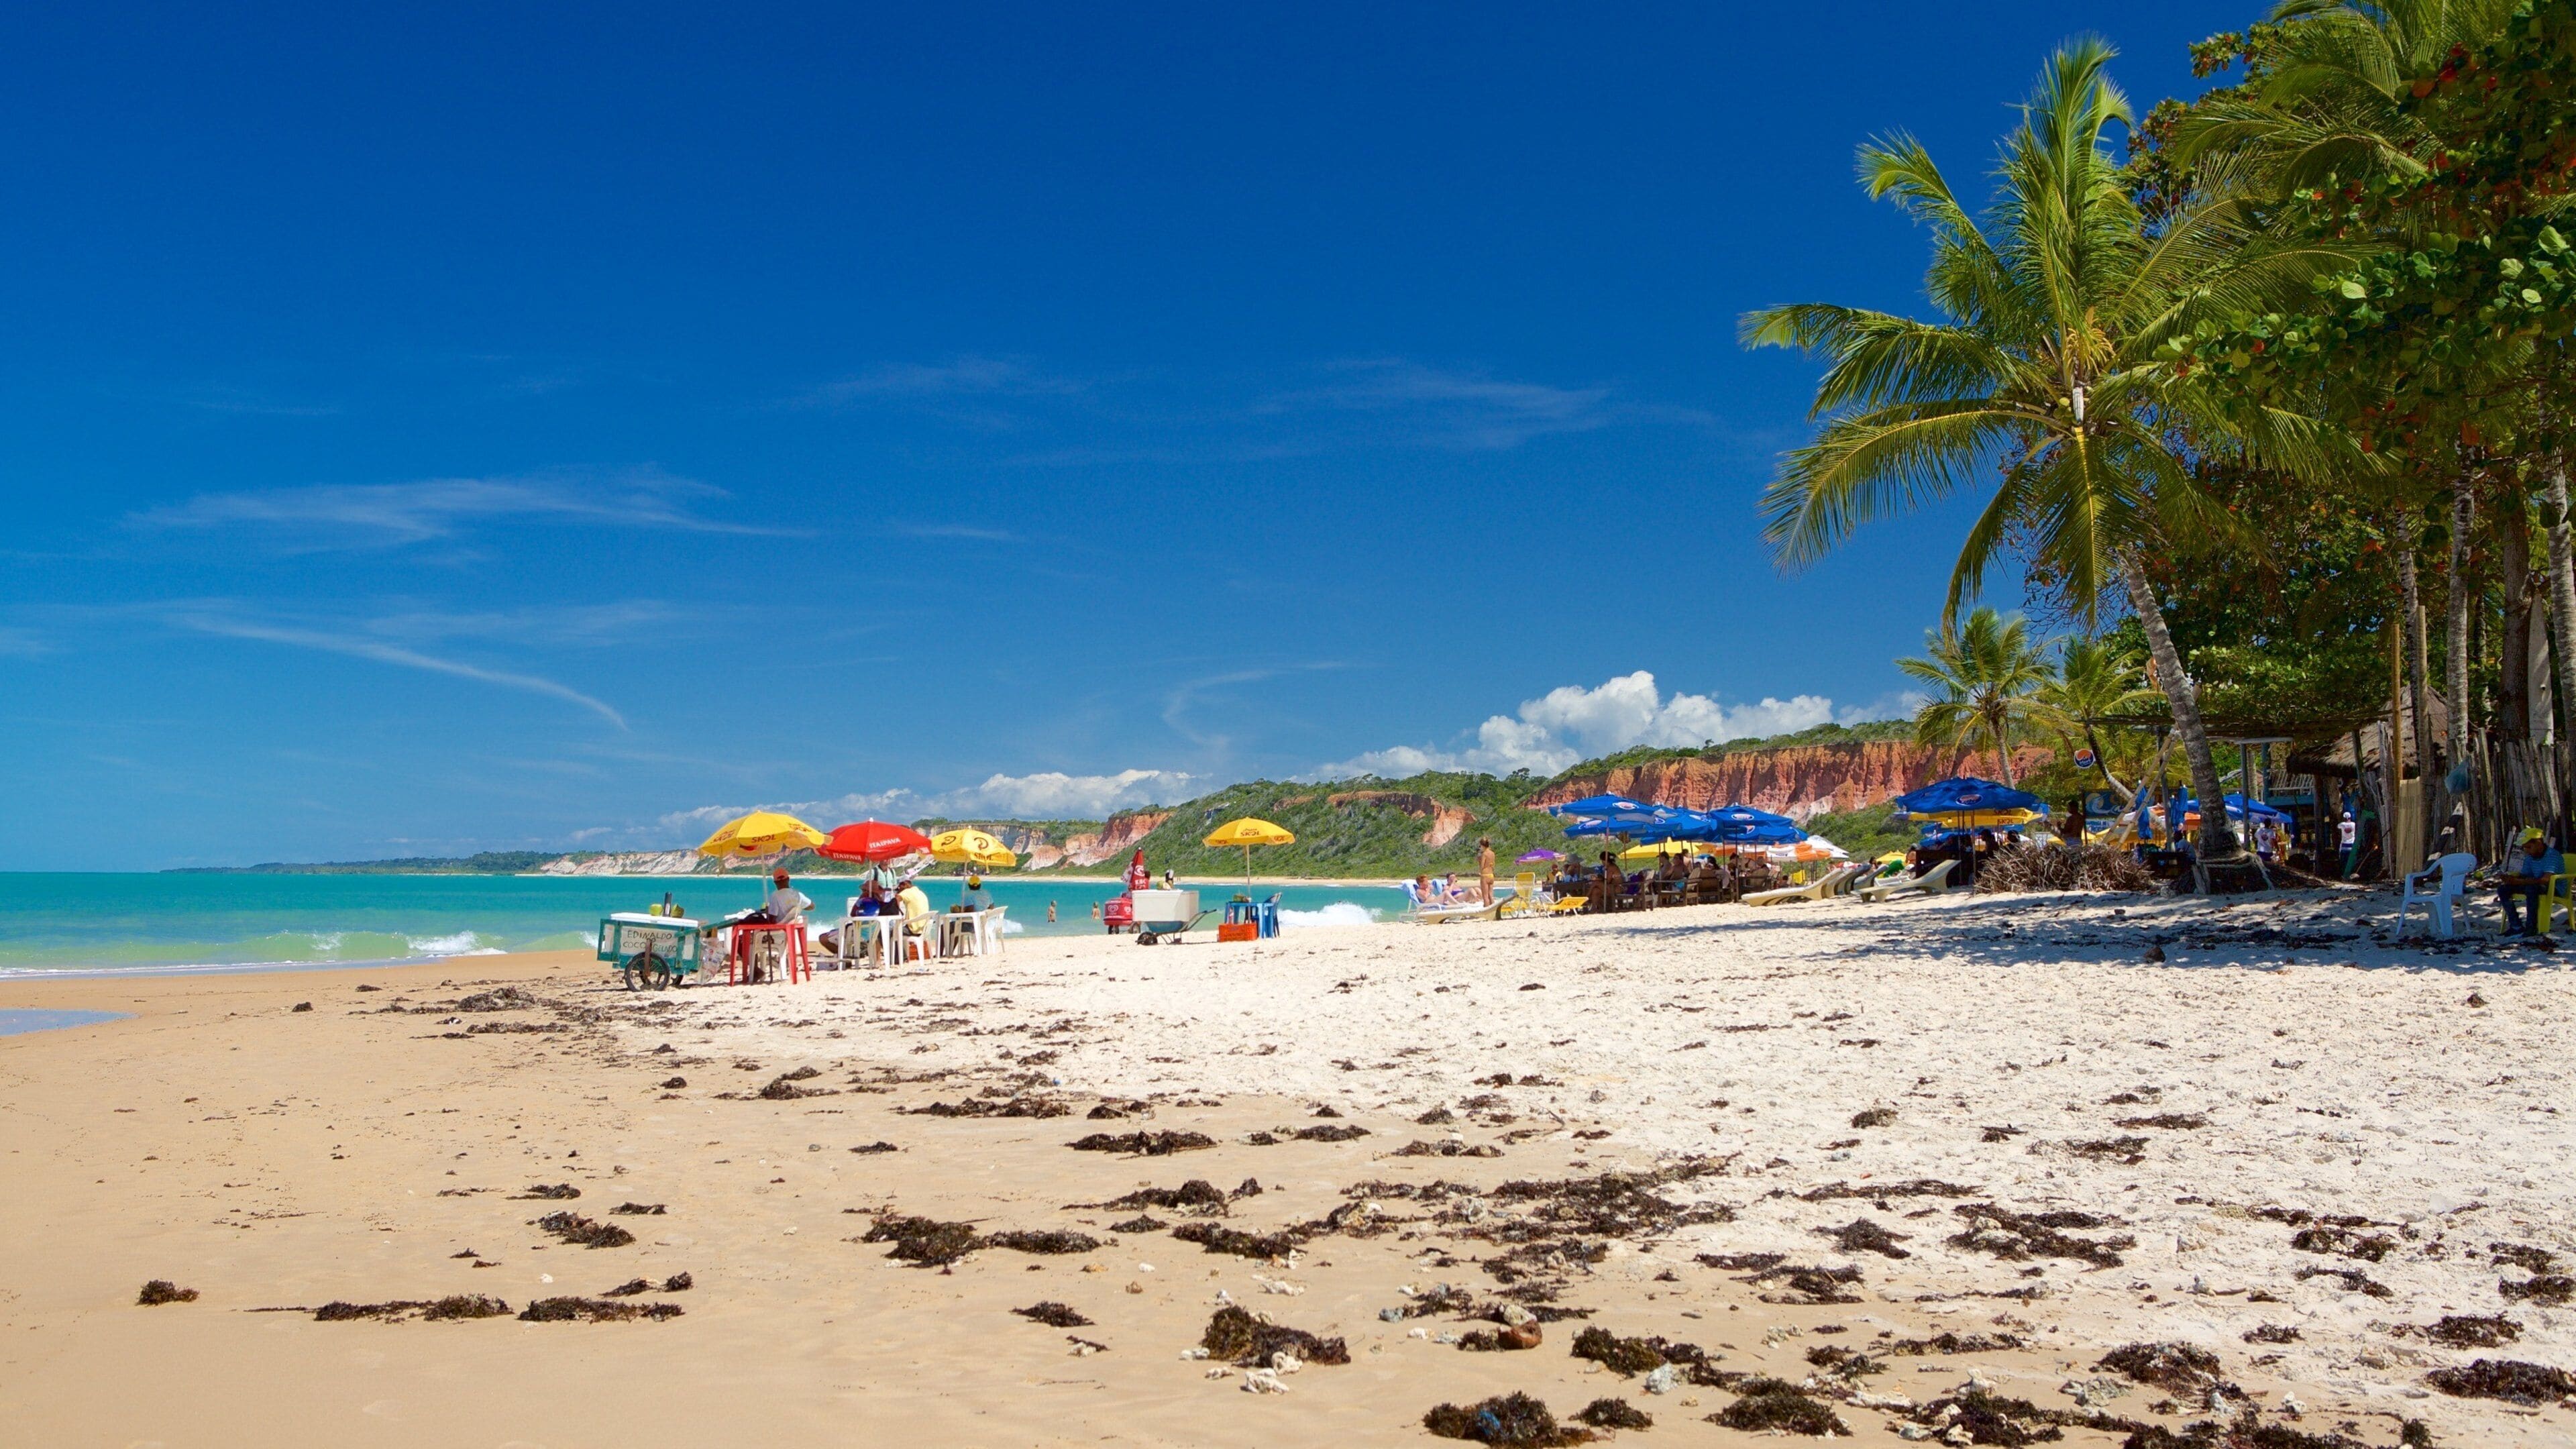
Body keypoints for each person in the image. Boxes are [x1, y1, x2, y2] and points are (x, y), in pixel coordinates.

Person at [2497, 827, 2565, 936]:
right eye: (2525, 848)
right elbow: (2525, 875)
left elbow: (2546, 880)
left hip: (2554, 888)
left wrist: (2518, 882)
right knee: (2503, 889)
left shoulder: (2552, 855)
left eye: (2529, 847)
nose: (2527, 851)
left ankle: (2531, 928)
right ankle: (2516, 926)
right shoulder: (2530, 857)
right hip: (2536, 884)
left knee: (2531, 889)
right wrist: (2510, 878)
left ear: (2538, 843)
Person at [1476, 837, 1497, 906]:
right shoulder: (1493, 853)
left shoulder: (1484, 854)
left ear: (1482, 845)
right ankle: (1493, 910)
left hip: (1485, 875)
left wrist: (1479, 861)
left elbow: (1482, 866)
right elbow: (1493, 865)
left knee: (1485, 897)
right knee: (1491, 895)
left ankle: (1487, 912)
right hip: (1491, 875)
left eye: (1480, 846)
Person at [2338, 811, 2359, 879]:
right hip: (2352, 845)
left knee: (2344, 862)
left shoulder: (2342, 825)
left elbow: (2338, 826)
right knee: (2352, 861)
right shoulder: (2353, 824)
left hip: (2344, 846)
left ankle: (2345, 875)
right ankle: (2352, 875)